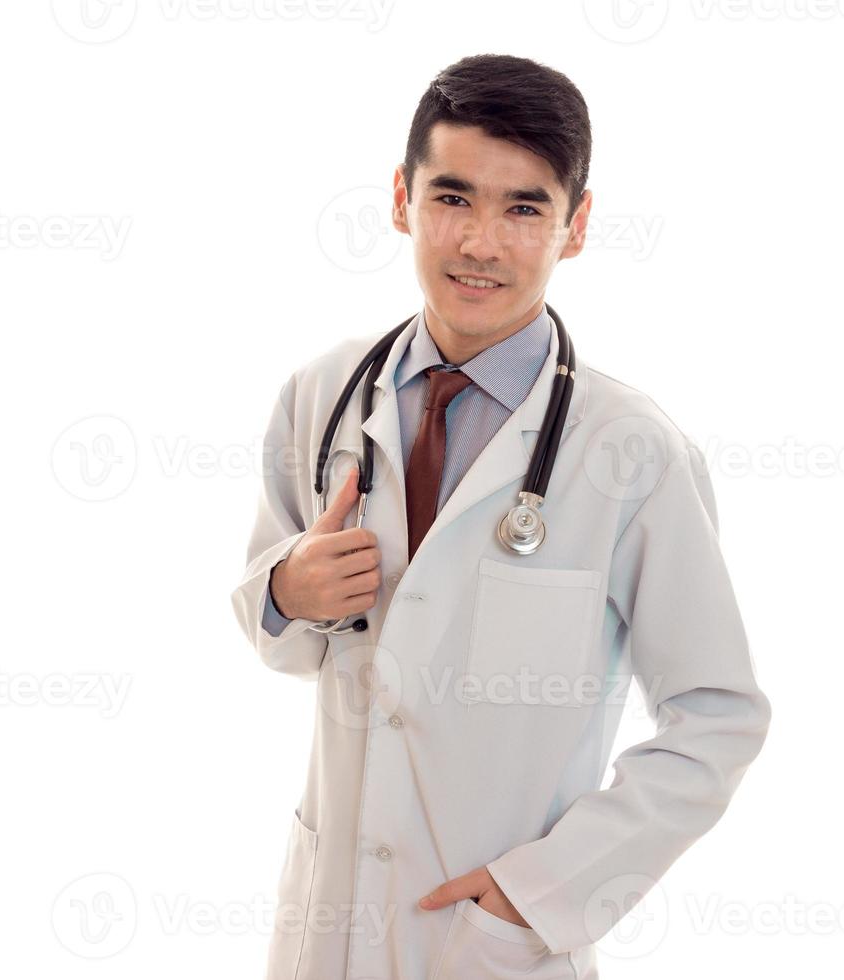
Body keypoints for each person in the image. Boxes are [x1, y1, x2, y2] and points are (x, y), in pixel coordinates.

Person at [231, 52, 771, 980]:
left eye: (524, 209)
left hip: (489, 948)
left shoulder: (632, 452)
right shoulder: (320, 395)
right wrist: (287, 589)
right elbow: (283, 644)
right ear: (401, 198)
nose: (481, 243)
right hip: (328, 929)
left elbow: (717, 717)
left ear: (578, 226)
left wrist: (545, 891)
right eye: (452, 198)